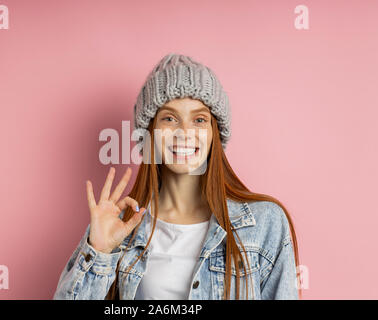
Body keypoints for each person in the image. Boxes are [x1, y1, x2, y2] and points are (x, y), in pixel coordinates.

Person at [53, 53, 301, 300]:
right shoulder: (119, 227)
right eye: (170, 118)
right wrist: (99, 253)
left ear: (215, 133)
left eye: (199, 119)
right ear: (149, 132)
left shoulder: (265, 223)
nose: (184, 132)